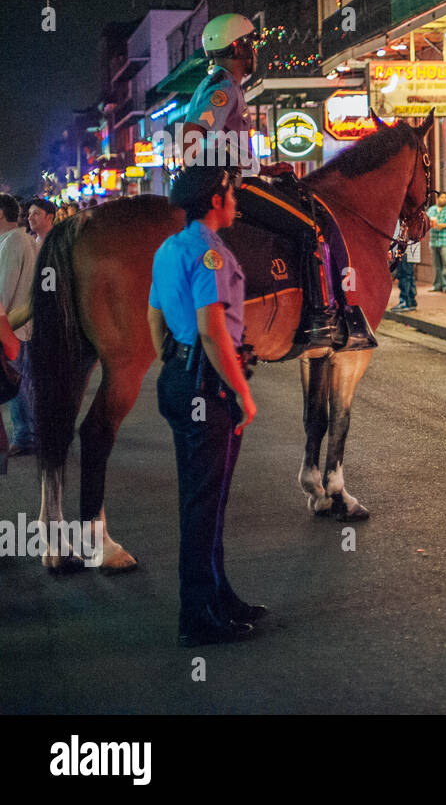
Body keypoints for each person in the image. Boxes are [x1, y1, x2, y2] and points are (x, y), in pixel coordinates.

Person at [180, 12, 373, 352]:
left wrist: (264, 168)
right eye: (250, 44)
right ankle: (320, 319)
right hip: (239, 188)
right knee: (312, 229)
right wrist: (224, 177)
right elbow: (193, 137)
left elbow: (225, 143)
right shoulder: (223, 87)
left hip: (244, 178)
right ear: (238, 48)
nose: (255, 51)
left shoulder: (219, 84)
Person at [147, 164, 264, 646]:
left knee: (203, 499)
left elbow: (155, 315)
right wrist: (242, 390)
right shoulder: (209, 253)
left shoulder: (169, 247)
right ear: (214, 201)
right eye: (231, 192)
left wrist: (174, 363)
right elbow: (213, 329)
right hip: (208, 384)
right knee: (204, 504)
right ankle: (197, 616)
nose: (236, 199)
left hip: (180, 377)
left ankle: (217, 595)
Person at [0, 193, 37, 457]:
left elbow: (5, 289)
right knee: (20, 381)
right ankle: (28, 433)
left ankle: (27, 435)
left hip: (13, 326)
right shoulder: (16, 240)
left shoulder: (13, 242)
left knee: (17, 382)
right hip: (16, 324)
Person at [426, 191, 446, 293]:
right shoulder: (432, 210)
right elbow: (425, 221)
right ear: (438, 198)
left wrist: (443, 225)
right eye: (442, 197)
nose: (444, 200)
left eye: (445, 198)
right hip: (434, 240)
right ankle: (437, 285)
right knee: (436, 264)